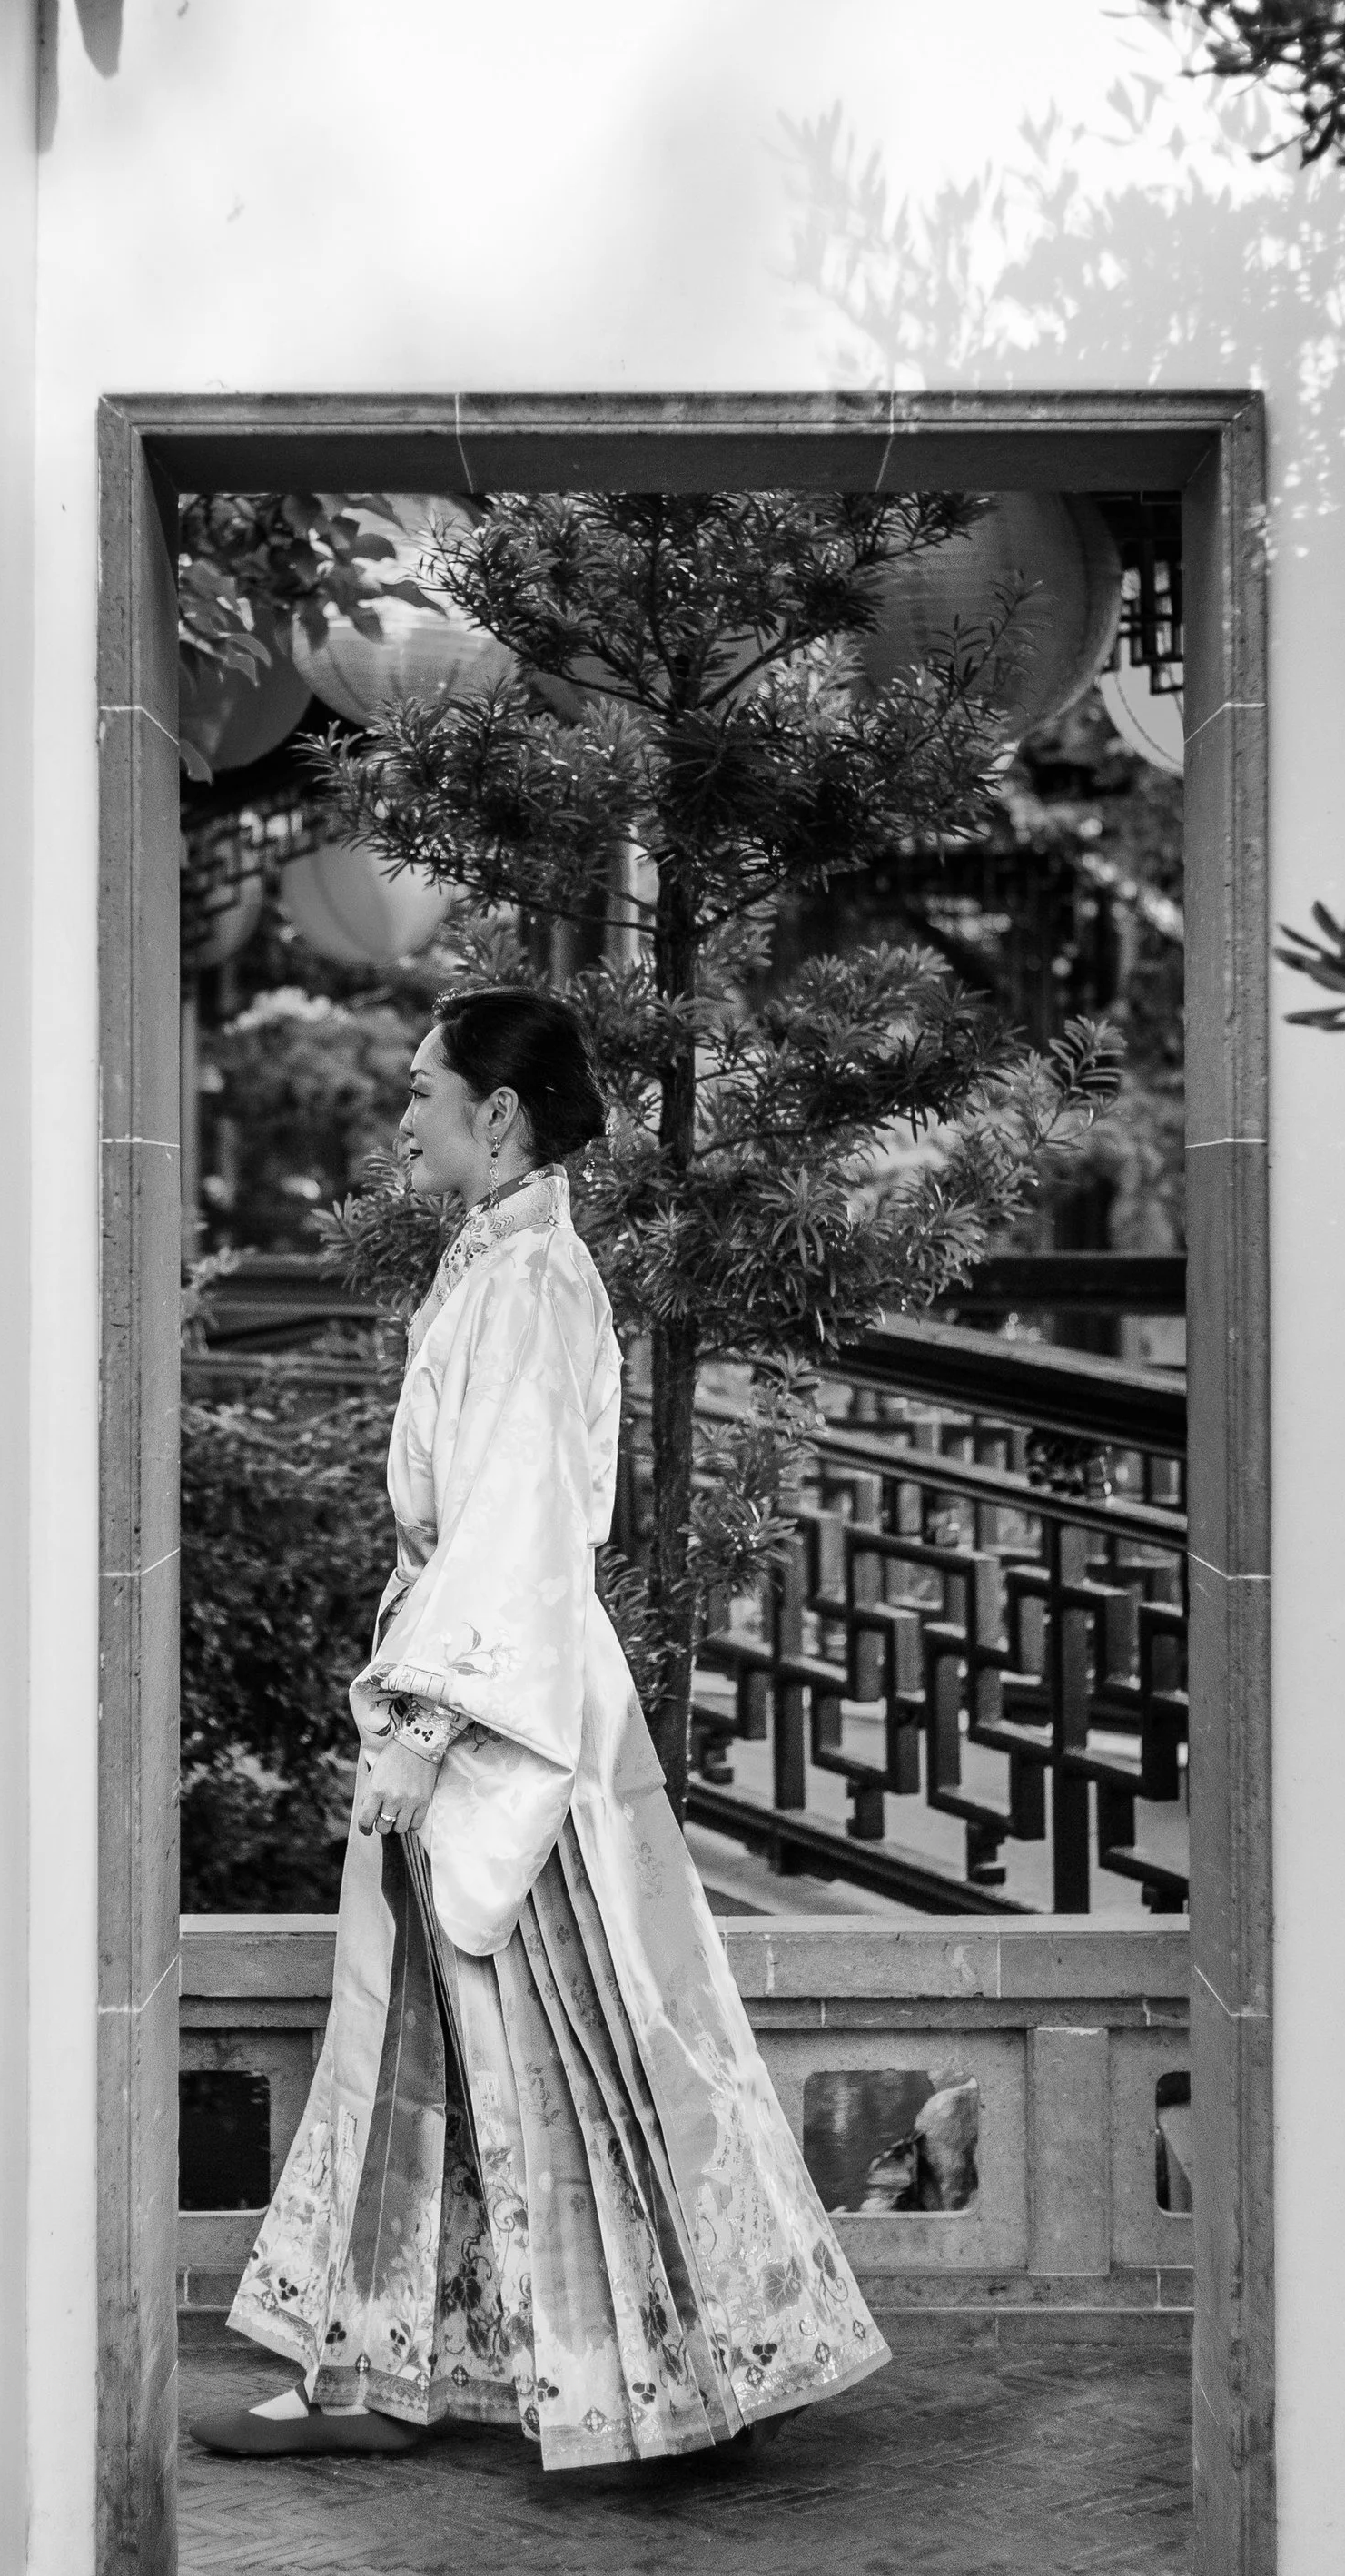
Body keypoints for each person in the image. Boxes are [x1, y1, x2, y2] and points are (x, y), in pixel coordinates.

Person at [191, 986, 889, 2466]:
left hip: (497, 1705)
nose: (404, 1116)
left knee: (552, 2037)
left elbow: (515, 1520)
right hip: (503, 1676)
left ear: (496, 1115)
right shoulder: (511, 1261)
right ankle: (392, 2372)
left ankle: (618, 2373)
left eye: (423, 1090)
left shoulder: (530, 1280)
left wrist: (424, 1724)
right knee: (494, 2041)